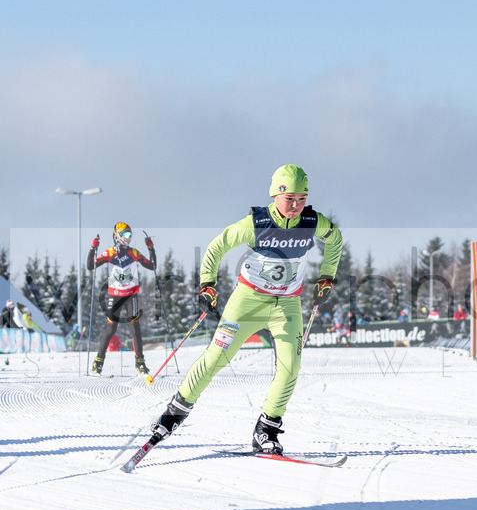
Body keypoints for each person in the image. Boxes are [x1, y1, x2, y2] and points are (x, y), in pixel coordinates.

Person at [149, 164, 343, 455]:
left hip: (287, 305)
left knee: (290, 366)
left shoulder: (314, 221)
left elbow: (336, 239)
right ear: (275, 195)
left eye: (302, 198)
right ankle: (174, 412)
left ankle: (267, 428)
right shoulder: (256, 223)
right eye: (290, 198)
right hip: (248, 302)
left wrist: (327, 276)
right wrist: (207, 284)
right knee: (216, 357)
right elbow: (217, 247)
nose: (296, 205)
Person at [87, 223, 157, 374]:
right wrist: (93, 249)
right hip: (115, 295)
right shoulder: (110, 253)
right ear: (117, 235)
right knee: (111, 328)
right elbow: (90, 266)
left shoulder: (134, 253)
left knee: (135, 328)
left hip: (131, 295)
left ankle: (140, 363)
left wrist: (151, 249)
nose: (129, 238)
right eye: (125, 235)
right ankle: (98, 362)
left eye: (130, 235)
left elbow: (152, 266)